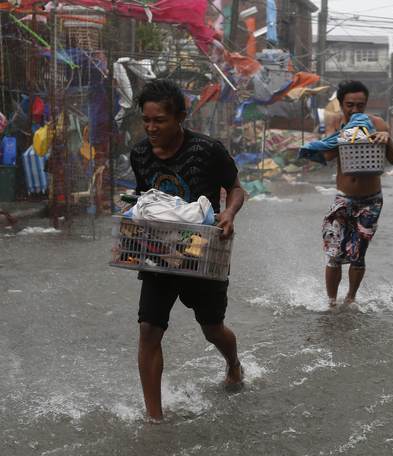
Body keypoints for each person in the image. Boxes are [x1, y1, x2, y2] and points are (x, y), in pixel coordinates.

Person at [130, 79, 245, 421]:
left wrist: (228, 212)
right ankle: (155, 418)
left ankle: (233, 363)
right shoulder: (139, 153)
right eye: (146, 120)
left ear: (180, 117)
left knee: (212, 328)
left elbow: (236, 189)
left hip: (204, 251)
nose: (151, 128)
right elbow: (143, 198)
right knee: (149, 329)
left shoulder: (207, 150)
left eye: (159, 121)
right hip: (159, 252)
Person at [321, 80, 393, 307]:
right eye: (350, 105)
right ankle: (331, 302)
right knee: (334, 253)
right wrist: (343, 136)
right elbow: (326, 157)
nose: (355, 110)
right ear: (341, 104)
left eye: (360, 105)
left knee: (358, 253)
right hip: (343, 197)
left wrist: (387, 140)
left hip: (371, 200)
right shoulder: (335, 124)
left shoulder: (377, 123)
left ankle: (351, 299)